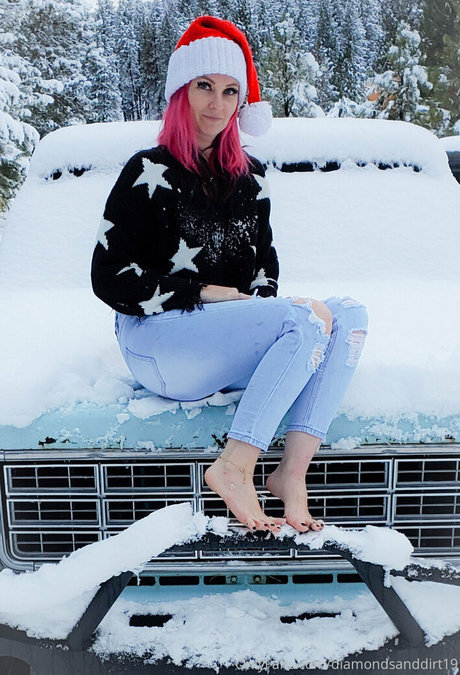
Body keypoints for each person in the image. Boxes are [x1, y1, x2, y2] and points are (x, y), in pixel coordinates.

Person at [91, 16, 368, 534]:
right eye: (204, 86)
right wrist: (201, 293)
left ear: (241, 102)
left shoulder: (251, 178)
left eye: (229, 91)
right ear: (181, 92)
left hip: (221, 348)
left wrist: (251, 305)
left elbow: (265, 272)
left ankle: (291, 474)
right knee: (305, 318)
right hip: (157, 341)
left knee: (349, 317)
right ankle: (235, 468)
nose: (216, 104)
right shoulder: (147, 171)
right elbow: (109, 277)